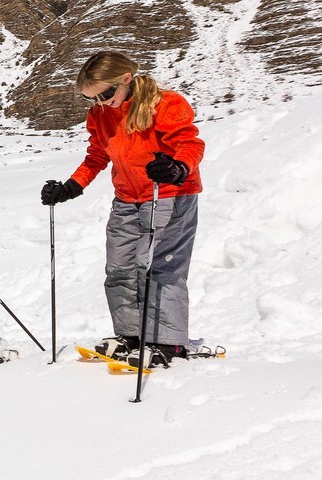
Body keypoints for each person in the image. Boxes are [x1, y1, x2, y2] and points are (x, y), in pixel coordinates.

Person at [40, 50, 206, 368]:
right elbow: (97, 156)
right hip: (127, 198)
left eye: (104, 95)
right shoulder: (100, 115)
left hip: (169, 193)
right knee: (120, 268)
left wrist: (178, 167)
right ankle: (131, 335)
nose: (100, 103)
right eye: (91, 99)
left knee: (159, 268)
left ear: (126, 79)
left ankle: (168, 342)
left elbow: (191, 144)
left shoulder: (165, 104)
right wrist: (71, 187)